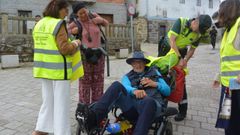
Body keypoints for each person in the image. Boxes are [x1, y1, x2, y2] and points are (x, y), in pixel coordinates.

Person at [77, 51, 170, 135]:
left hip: (152, 106)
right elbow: (125, 87)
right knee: (116, 85)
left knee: (148, 101)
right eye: (135, 62)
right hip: (133, 109)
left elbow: (167, 91)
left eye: (140, 62)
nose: (137, 65)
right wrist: (134, 91)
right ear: (132, 64)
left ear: (145, 63)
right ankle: (94, 118)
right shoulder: (128, 76)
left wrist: (155, 84)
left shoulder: (154, 72)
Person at [32, 0, 82, 135]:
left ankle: (41, 129)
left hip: (44, 69)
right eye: (65, 10)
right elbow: (64, 49)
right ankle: (62, 132)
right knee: (61, 104)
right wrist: (76, 43)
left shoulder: (40, 23)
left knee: (48, 101)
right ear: (58, 9)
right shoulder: (58, 24)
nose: (66, 14)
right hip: (59, 70)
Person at [149, 14, 212, 121]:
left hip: (181, 52)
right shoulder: (181, 22)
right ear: (195, 21)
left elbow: (192, 50)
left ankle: (183, 111)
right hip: (167, 49)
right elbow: (172, 40)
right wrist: (180, 57)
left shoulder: (198, 34)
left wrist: (185, 61)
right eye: (199, 29)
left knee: (179, 79)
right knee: (161, 77)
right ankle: (161, 106)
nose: (198, 32)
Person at [68, 2, 109, 104]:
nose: (83, 15)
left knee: (98, 83)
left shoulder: (94, 16)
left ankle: (96, 107)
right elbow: (65, 33)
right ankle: (84, 108)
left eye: (84, 12)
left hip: (99, 55)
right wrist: (73, 32)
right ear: (76, 14)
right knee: (85, 84)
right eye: (80, 14)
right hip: (84, 56)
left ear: (87, 9)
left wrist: (101, 20)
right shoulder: (76, 23)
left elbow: (106, 23)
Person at [212, 0, 240, 134]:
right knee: (228, 122)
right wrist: (219, 76)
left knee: (235, 123)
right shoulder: (228, 31)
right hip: (229, 86)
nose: (219, 17)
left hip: (238, 86)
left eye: (221, 14)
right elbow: (226, 59)